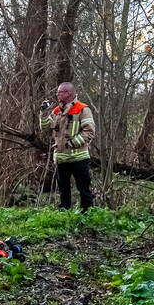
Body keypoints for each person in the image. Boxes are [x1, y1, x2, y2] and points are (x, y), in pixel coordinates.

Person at [40, 82, 96, 211]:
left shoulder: (82, 109)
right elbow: (44, 127)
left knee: (84, 189)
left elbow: (89, 131)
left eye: (60, 92)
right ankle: (64, 213)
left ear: (69, 93)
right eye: (57, 92)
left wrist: (72, 143)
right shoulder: (56, 111)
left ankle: (87, 214)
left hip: (79, 158)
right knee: (63, 189)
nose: (57, 94)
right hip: (61, 158)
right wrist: (43, 112)